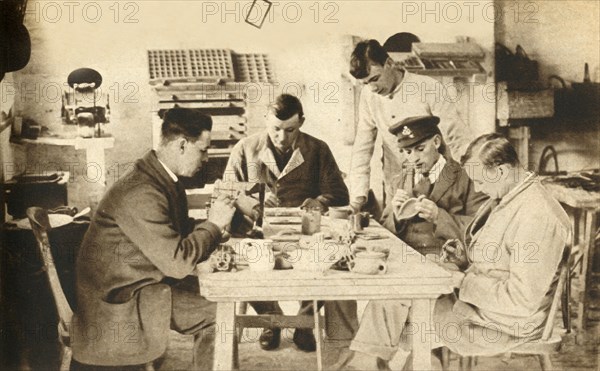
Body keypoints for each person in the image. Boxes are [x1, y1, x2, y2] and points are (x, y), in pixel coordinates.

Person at [340, 133, 571, 370]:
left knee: (398, 314)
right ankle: (374, 362)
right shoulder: (513, 194)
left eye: (480, 182)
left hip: (503, 324)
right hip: (483, 304)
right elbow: (498, 257)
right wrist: (460, 260)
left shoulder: (536, 216)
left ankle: (371, 363)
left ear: (500, 171)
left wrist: (462, 280)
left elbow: (521, 301)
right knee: (396, 294)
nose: (479, 188)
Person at [71, 109, 236, 370]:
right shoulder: (142, 192)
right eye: (203, 150)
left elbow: (174, 233)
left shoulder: (160, 179)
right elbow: (178, 263)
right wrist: (213, 225)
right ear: (182, 144)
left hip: (141, 284)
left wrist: (216, 229)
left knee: (224, 301)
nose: (206, 158)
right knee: (221, 316)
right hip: (120, 300)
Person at [223, 94, 357, 353]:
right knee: (243, 269)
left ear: (302, 123)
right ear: (265, 121)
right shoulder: (245, 148)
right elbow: (227, 192)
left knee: (327, 265)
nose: (282, 137)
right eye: (275, 129)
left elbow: (339, 194)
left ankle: (304, 323)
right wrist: (251, 202)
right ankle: (272, 319)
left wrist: (318, 201)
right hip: (257, 235)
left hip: (302, 236)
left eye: (290, 130)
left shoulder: (317, 149)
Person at [347, 39, 474, 213]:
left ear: (389, 63)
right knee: (399, 225)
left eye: (375, 79)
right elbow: (362, 147)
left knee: (434, 224)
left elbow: (457, 137)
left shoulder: (427, 87)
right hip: (397, 177)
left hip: (437, 178)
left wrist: (475, 179)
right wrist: (357, 199)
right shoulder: (368, 96)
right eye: (365, 83)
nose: (373, 88)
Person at [381, 115, 487, 256]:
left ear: (436, 142)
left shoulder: (467, 178)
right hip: (405, 260)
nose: (413, 159)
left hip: (447, 262)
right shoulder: (398, 181)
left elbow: (482, 231)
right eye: (408, 152)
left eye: (420, 149)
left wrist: (439, 217)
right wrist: (395, 216)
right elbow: (383, 232)